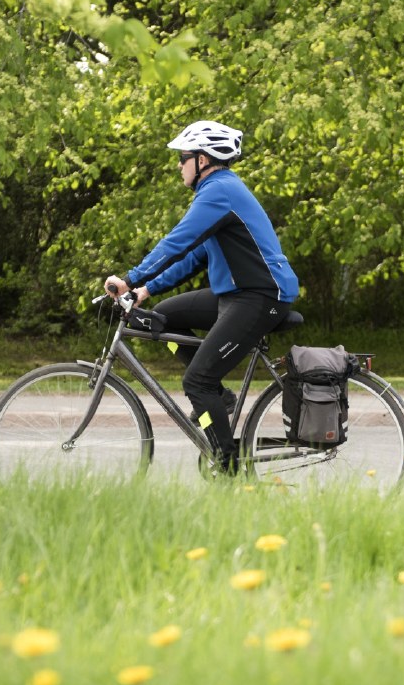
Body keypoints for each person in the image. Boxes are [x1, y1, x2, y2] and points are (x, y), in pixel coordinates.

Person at [104, 120, 300, 474]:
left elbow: (176, 242)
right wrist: (146, 289)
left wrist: (130, 277)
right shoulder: (216, 194)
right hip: (237, 295)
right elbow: (194, 256)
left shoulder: (219, 191)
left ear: (204, 160)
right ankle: (220, 398)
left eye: (183, 158)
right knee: (165, 316)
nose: (179, 165)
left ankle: (227, 470)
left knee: (197, 380)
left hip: (261, 296)